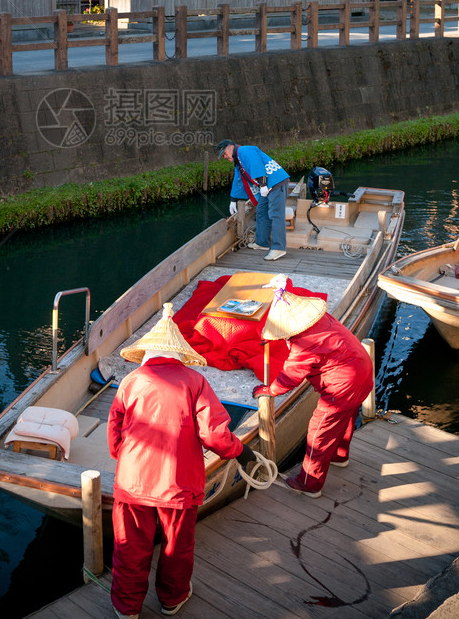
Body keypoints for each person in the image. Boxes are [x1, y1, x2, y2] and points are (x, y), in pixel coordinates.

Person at [108, 302, 256, 619]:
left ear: (147, 351)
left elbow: (115, 431)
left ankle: (127, 607)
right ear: (179, 353)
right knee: (177, 546)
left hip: (133, 483)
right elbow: (215, 435)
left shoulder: (130, 382)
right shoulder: (195, 382)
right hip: (178, 484)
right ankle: (172, 600)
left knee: (130, 546)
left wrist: (124, 455)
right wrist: (241, 451)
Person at [252, 279, 373, 498]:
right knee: (345, 419)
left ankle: (309, 483)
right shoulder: (321, 318)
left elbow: (292, 374)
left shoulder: (304, 341)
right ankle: (339, 456)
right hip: (362, 373)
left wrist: (271, 390)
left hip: (342, 386)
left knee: (320, 431)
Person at [216, 140, 290, 261]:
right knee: (261, 211)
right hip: (266, 185)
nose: (225, 157)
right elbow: (238, 179)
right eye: (223, 155)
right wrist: (233, 199)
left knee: (276, 215)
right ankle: (262, 243)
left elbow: (256, 165)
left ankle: (279, 248)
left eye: (224, 153)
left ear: (231, 147)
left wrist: (263, 185)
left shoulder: (244, 151)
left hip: (276, 183)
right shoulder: (238, 160)